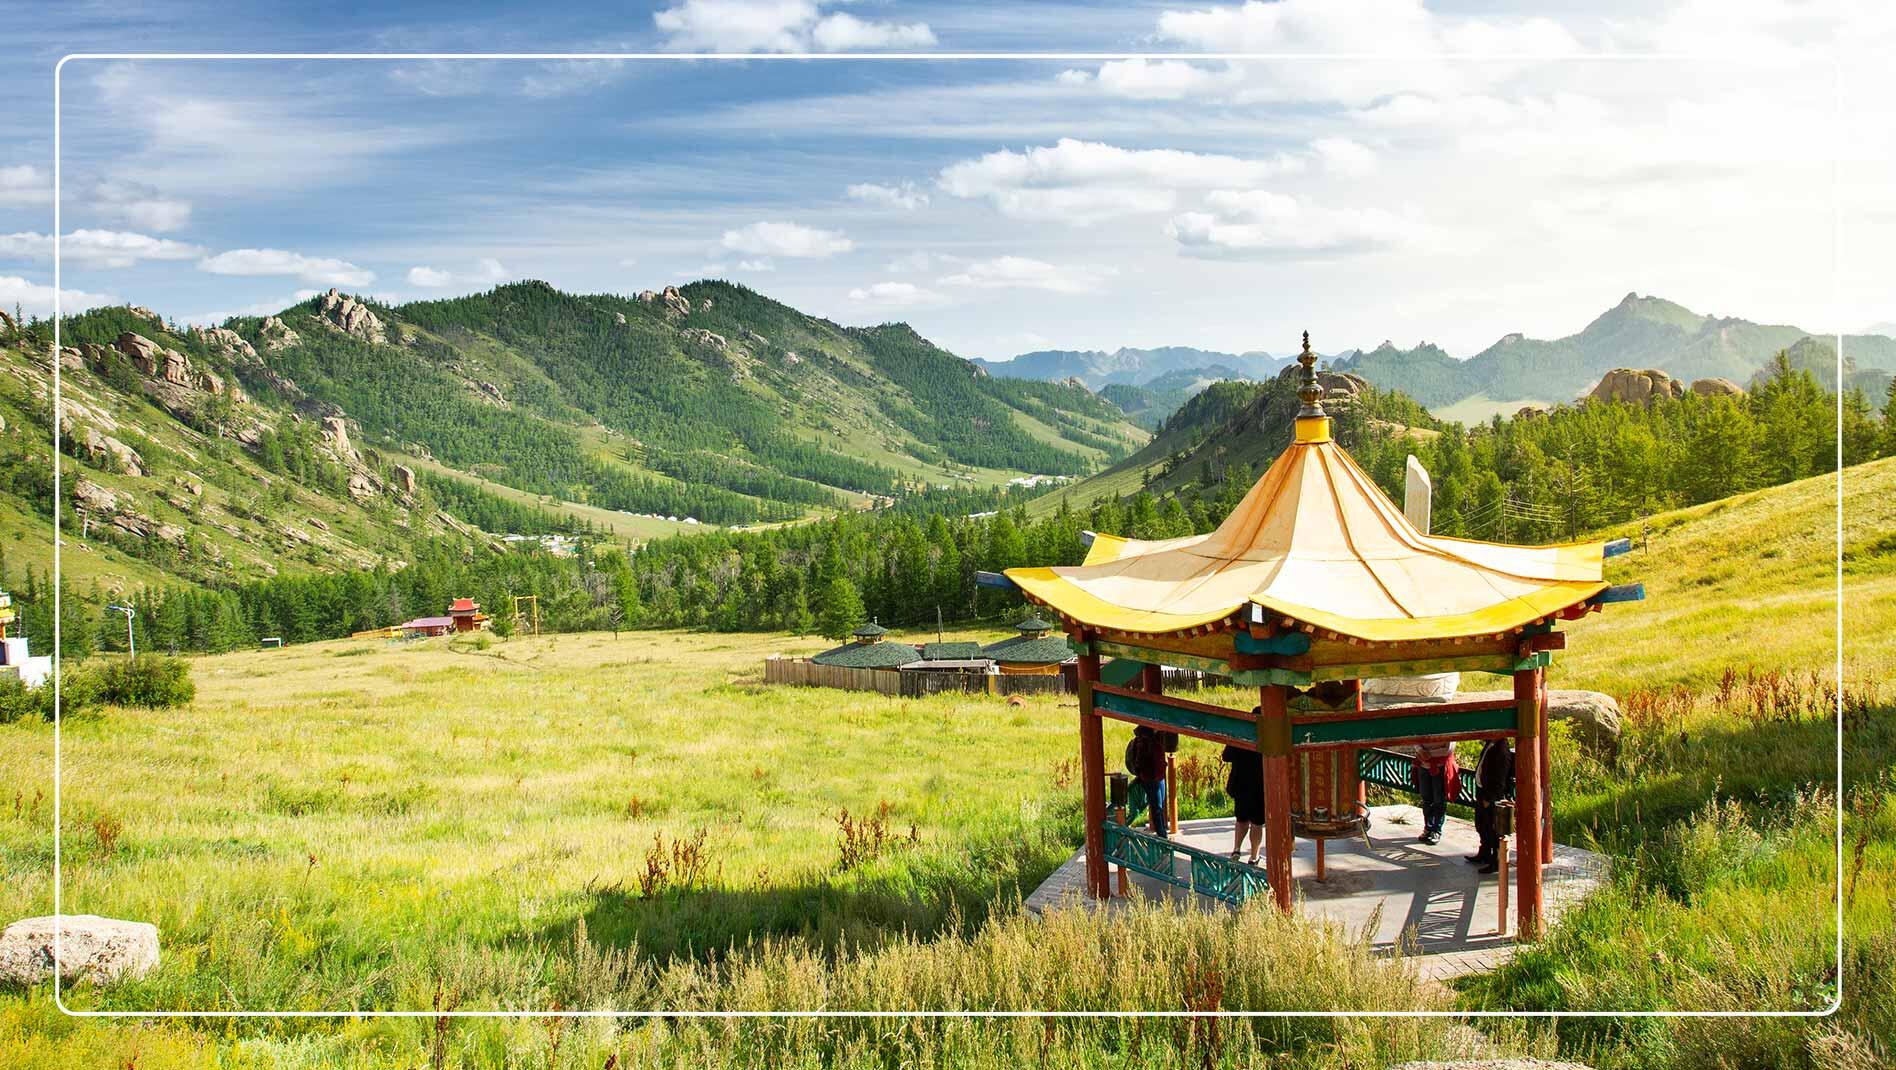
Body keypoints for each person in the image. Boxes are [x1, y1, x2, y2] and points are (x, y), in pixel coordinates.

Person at [1468, 737, 1515, 873]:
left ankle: (1495, 861)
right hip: (1483, 790)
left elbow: (1500, 777)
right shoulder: (1491, 744)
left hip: (1491, 795)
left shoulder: (1501, 750)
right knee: (1481, 825)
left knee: (1492, 829)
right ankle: (1484, 853)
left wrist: (1489, 797)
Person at [1221, 736, 1264, 864]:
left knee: (1241, 820)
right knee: (1257, 823)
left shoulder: (1240, 734)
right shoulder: (1268, 736)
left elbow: (1226, 756)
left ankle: (1236, 849)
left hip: (1240, 784)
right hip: (1259, 786)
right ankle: (1254, 856)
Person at [1125, 725, 1169, 837]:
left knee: (1159, 804)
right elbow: (1141, 761)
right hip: (1152, 778)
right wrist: (1148, 773)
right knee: (1157, 807)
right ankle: (1162, 835)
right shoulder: (1145, 740)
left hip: (1156, 776)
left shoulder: (1153, 738)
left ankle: (1162, 832)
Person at [1412, 738, 1458, 845]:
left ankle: (1436, 830)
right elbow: (1413, 737)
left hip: (1440, 766)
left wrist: (1427, 754)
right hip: (1423, 766)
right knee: (1426, 798)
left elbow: (1448, 749)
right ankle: (1428, 828)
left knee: (1439, 800)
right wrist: (1419, 750)